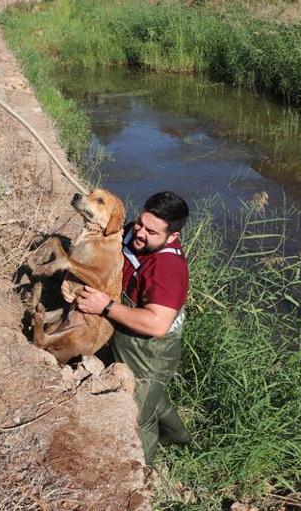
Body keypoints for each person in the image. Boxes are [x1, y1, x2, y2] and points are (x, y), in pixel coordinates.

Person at [76, 191, 191, 466]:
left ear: (172, 236)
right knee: (154, 398)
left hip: (150, 352)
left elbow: (157, 324)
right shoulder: (130, 233)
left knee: (136, 417)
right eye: (140, 223)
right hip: (123, 334)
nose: (139, 232)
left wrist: (105, 307)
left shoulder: (167, 268)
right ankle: (180, 438)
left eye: (151, 232)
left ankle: (142, 475)